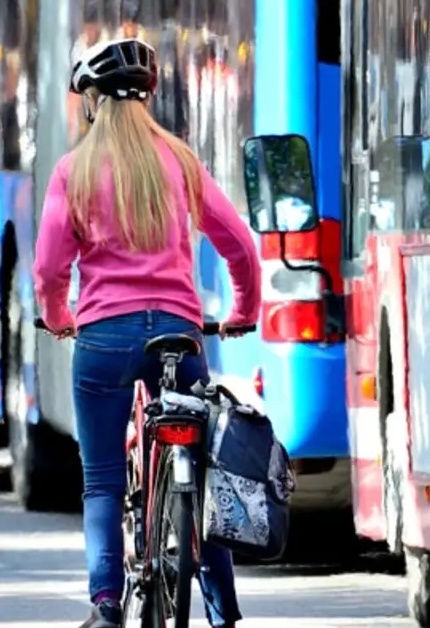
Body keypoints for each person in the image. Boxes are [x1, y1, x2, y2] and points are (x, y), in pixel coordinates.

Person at [31, 38, 261, 628]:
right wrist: (243, 311)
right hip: (181, 338)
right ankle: (223, 614)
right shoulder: (180, 162)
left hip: (104, 340)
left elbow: (50, 269)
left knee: (104, 480)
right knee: (205, 480)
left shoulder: (74, 171)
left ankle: (107, 605)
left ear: (92, 102)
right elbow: (238, 244)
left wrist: (60, 317)